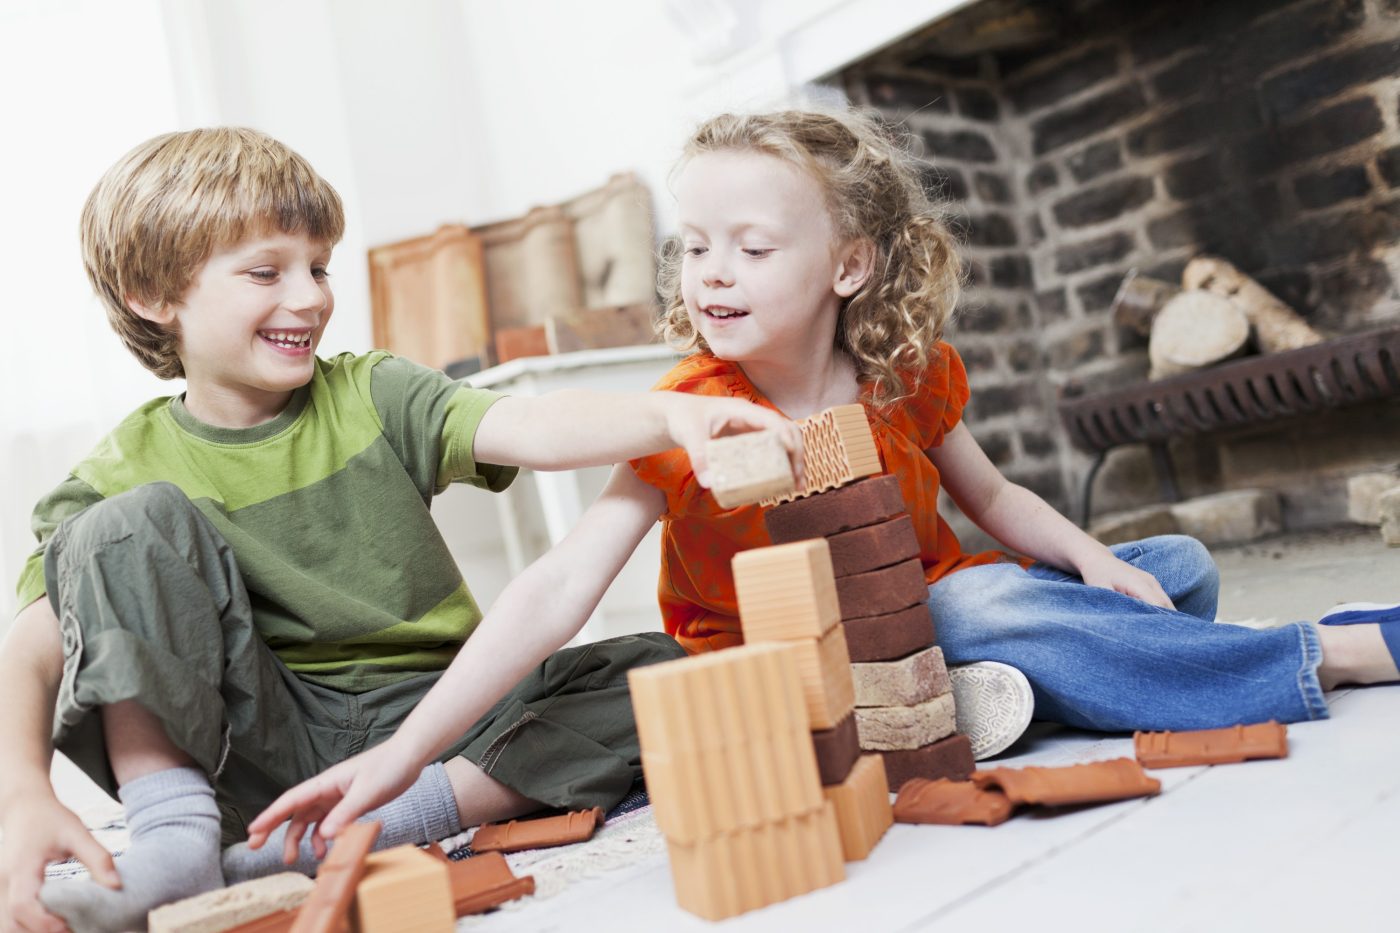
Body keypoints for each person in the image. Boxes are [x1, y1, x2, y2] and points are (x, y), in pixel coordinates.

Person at [248, 106, 1400, 859]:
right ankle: (1329, 648)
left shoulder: (902, 377)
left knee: (1166, 568)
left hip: (929, 623)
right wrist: (402, 756)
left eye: (751, 247)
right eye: (694, 246)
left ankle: (996, 685)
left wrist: (1095, 558)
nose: (712, 273)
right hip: (787, 676)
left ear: (848, 264)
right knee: (983, 606)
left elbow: (996, 505)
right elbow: (558, 588)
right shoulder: (688, 414)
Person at [0, 126, 803, 933]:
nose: (311, 296)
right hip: (258, 749)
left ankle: (364, 827)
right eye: (265, 272)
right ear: (154, 295)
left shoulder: (372, 392)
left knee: (667, 674)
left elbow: (533, 422)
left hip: (436, 721)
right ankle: (174, 843)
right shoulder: (119, 471)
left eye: (317, 267)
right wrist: (23, 793)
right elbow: (34, 650)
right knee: (115, 525)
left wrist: (672, 412)